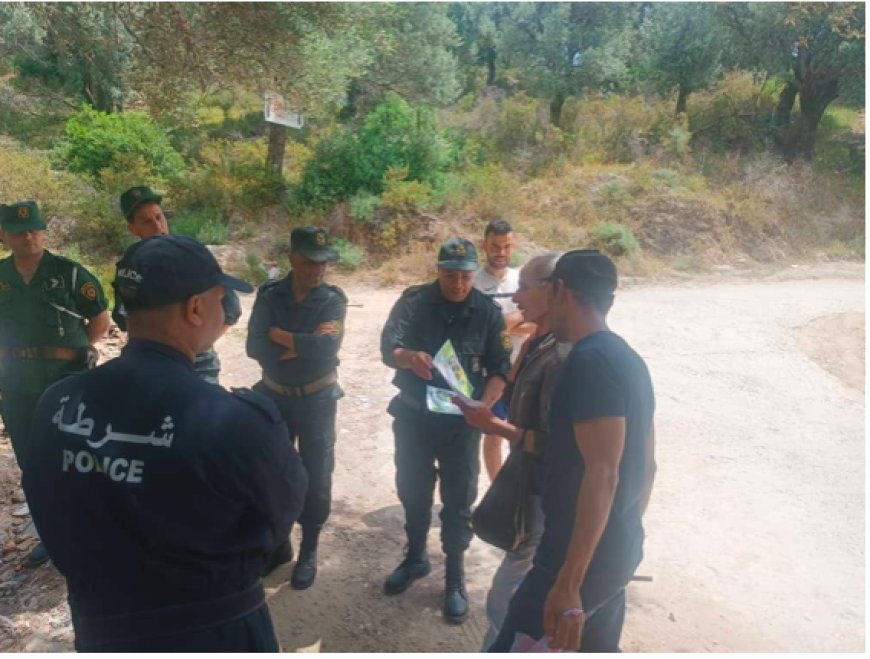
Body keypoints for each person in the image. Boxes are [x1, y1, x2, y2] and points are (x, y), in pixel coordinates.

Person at [21, 234, 308, 652]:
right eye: (218, 297)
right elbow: (282, 516)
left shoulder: (57, 405)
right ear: (195, 308)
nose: (223, 309)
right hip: (215, 632)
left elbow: (46, 506)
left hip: (103, 632)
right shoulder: (232, 421)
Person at [487, 249, 657, 652]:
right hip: (618, 550)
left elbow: (604, 472)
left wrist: (568, 582)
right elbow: (648, 467)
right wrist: (619, 536)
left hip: (570, 561)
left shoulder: (588, 361)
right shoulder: (628, 358)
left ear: (560, 289)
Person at [380, 237, 511, 624]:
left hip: (460, 424)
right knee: (413, 491)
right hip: (414, 417)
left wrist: (483, 406)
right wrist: (407, 357)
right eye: (450, 275)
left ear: (474, 274)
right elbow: (388, 346)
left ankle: (454, 576)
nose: (458, 284)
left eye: (466, 276)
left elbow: (500, 368)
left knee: (458, 500)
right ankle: (416, 557)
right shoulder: (414, 301)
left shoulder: (487, 312)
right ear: (437, 270)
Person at [454, 252, 565, 649]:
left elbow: (557, 446)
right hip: (527, 485)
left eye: (524, 287)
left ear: (556, 290)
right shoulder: (540, 339)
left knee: (505, 597)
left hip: (542, 493)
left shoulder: (562, 357)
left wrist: (493, 426)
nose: (514, 295)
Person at [0, 200, 110, 568]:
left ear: (43, 230)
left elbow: (99, 319)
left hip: (65, 379)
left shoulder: (69, 274)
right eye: (18, 231)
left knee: (76, 456)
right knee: (32, 462)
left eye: (33, 228)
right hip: (16, 384)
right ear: (4, 235)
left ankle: (90, 529)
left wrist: (79, 353)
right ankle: (50, 534)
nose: (27, 235)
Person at [246, 226, 347, 589]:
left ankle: (310, 548)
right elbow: (254, 346)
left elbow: (327, 350)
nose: (318, 269)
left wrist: (282, 337)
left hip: (318, 400)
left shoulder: (333, 300)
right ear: (292, 258)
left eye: (323, 263)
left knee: (316, 475)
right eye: (309, 262)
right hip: (274, 395)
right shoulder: (270, 295)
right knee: (274, 472)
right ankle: (279, 543)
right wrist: (302, 343)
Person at [115, 185, 242, 384]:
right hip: (149, 366)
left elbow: (231, 310)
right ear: (132, 228)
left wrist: (197, 345)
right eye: (147, 221)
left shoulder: (191, 256)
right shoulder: (131, 264)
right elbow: (123, 318)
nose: (157, 227)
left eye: (159, 217)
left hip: (198, 366)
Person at [473, 219, 534, 482]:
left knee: (523, 435)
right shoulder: (473, 282)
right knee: (493, 435)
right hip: (491, 373)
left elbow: (538, 322)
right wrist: (514, 321)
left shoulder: (523, 280)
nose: (500, 253)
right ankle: (497, 490)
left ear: (514, 245)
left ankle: (517, 493)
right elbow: (476, 331)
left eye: (506, 246)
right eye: (495, 246)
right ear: (484, 245)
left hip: (525, 368)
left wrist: (499, 326)